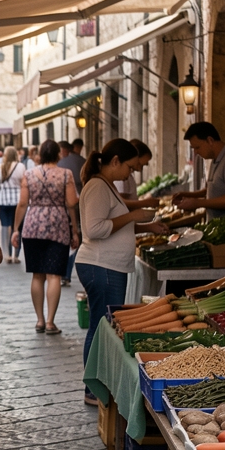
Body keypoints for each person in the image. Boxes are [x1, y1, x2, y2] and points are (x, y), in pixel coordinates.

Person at [76, 138, 170, 404]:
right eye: (129, 167)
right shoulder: (97, 187)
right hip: (100, 265)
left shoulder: (107, 185)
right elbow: (94, 229)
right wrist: (132, 215)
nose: (132, 172)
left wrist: (146, 227)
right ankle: (92, 390)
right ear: (115, 161)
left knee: (104, 326)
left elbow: (112, 225)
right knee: (100, 327)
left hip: (107, 266)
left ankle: (98, 386)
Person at [11, 140, 79, 334]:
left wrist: (16, 229)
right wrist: (74, 229)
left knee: (37, 274)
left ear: (40, 154)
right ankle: (50, 322)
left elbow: (23, 204)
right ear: (58, 154)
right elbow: (71, 203)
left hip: (33, 225)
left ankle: (39, 320)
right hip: (58, 224)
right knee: (54, 274)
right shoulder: (66, 174)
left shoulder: (29, 174)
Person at [58, 140, 86, 287]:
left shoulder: (61, 165)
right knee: (76, 238)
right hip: (79, 204)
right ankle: (67, 273)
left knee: (67, 239)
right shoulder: (83, 162)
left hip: (64, 208)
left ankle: (63, 273)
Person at [0, 146, 23, 263]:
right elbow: (23, 184)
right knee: (17, 227)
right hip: (17, 201)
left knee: (5, 226)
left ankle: (7, 254)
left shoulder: (0, 167)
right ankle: (16, 255)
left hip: (3, 201)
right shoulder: (20, 167)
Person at [115, 139, 158, 208]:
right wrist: (145, 203)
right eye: (142, 164)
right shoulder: (122, 176)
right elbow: (121, 203)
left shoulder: (129, 176)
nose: (146, 164)